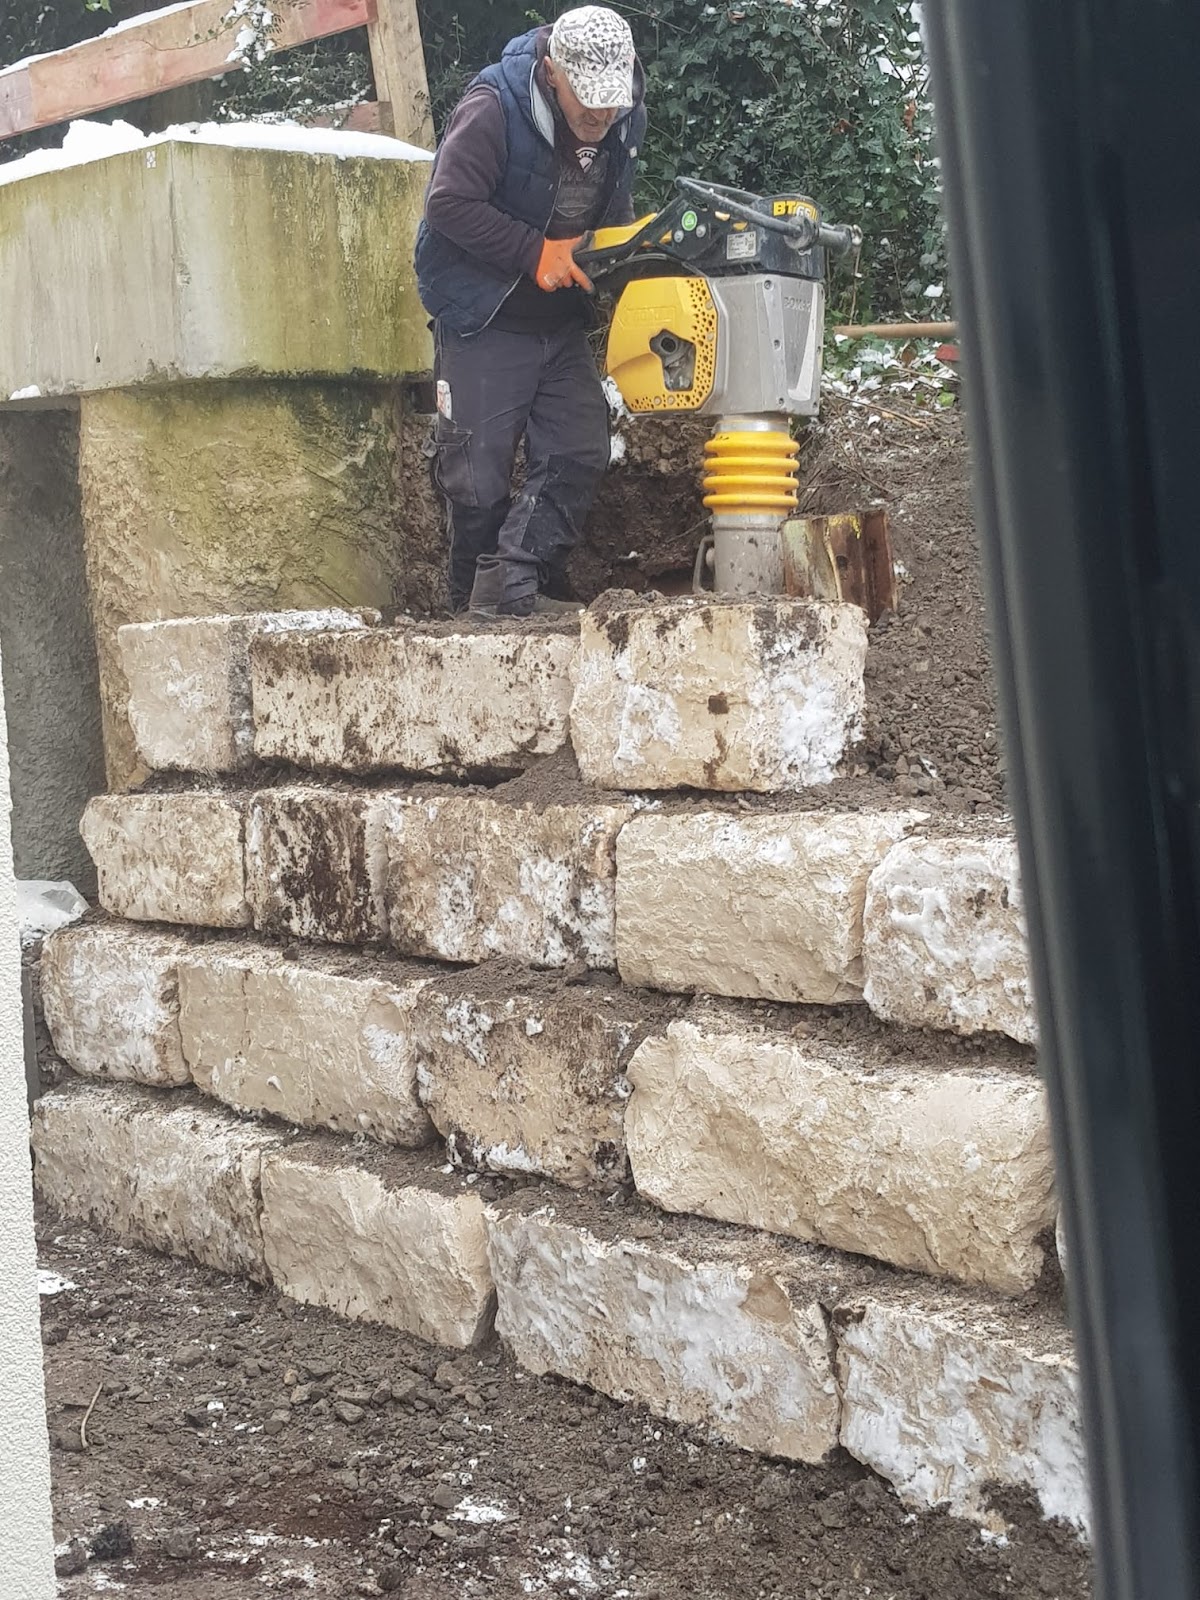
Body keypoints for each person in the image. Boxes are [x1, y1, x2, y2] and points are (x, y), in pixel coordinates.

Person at [414, 6, 646, 616]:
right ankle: (466, 608)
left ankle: (512, 587)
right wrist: (534, 251)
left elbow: (613, 202)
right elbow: (447, 204)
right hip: (483, 311)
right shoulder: (494, 107)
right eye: (587, 102)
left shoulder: (623, 114)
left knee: (579, 450)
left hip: (558, 317)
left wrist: (620, 262)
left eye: (611, 103)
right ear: (551, 73)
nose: (600, 117)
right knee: (477, 477)